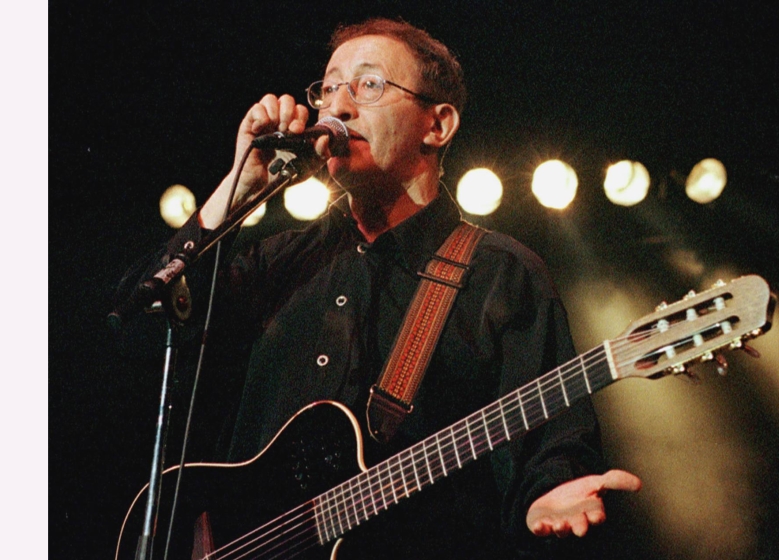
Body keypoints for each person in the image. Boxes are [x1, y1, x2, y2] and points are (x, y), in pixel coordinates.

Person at [114, 17, 640, 559]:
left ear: (437, 125)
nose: (337, 107)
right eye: (328, 88)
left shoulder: (501, 274)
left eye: (368, 85)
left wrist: (548, 494)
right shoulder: (277, 261)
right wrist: (238, 184)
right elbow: (137, 332)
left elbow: (549, 442)